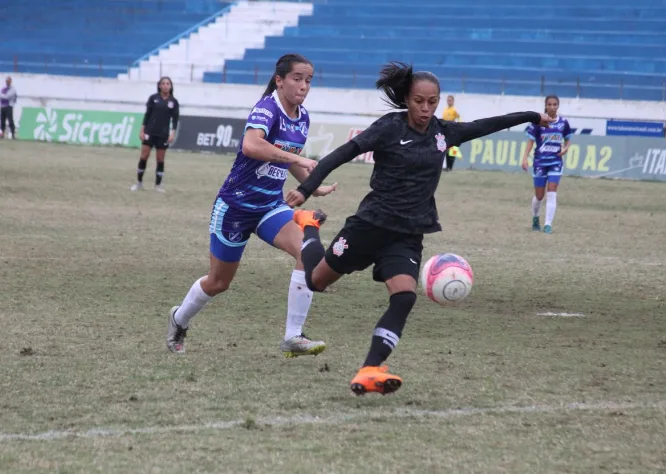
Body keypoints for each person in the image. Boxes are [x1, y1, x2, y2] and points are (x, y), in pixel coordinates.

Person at [285, 62, 551, 395]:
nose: (425, 109)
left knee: (405, 297)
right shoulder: (389, 128)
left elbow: (485, 125)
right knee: (316, 282)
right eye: (418, 101)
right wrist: (307, 188)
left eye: (432, 102)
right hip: (368, 227)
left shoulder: (444, 133)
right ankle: (310, 227)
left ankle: (370, 368)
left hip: (407, 235)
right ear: (407, 100)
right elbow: (343, 153)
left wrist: (530, 115)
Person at [166, 54, 338, 358]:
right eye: (297, 78)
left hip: (270, 206)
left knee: (308, 252)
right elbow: (252, 146)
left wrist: (312, 184)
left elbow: (285, 155)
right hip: (235, 207)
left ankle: (293, 336)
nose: (303, 86)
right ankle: (179, 319)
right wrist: (300, 159)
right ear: (280, 79)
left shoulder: (303, 117)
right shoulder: (266, 108)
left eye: (308, 80)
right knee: (219, 282)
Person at [520, 95, 572, 234]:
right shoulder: (538, 122)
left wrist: (566, 148)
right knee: (539, 196)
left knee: (552, 191)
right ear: (546, 105)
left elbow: (568, 139)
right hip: (540, 162)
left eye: (555, 104)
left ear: (558, 106)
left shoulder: (563, 123)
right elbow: (530, 142)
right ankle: (535, 218)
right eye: (549, 104)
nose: (552, 107)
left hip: (556, 162)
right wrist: (525, 158)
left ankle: (548, 224)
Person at [131, 77, 180, 192]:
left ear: (171, 86)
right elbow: (147, 115)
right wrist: (142, 130)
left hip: (163, 134)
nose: (165, 86)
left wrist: (172, 133)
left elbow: (175, 120)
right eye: (163, 83)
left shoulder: (174, 102)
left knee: (160, 159)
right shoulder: (153, 98)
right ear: (159, 86)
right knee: (144, 156)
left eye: (168, 83)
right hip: (150, 132)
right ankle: (139, 183)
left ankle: (158, 185)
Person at [441, 94, 461, 171]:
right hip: (445, 131)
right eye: (448, 100)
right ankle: (447, 166)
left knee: (452, 150)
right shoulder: (445, 109)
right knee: (446, 149)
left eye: (450, 100)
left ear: (453, 101)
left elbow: (459, 117)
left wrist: (457, 126)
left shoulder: (454, 110)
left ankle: (450, 167)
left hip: (452, 130)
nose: (449, 102)